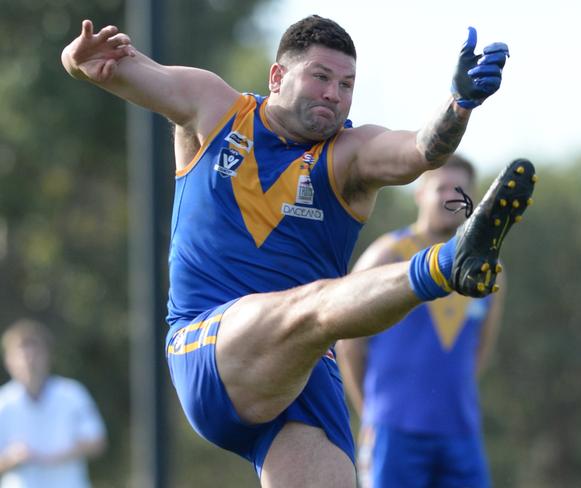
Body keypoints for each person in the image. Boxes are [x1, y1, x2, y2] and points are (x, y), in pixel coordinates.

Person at [61, 15, 535, 487]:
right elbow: (105, 66)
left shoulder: (349, 154)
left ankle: (450, 261)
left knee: (313, 316)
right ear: (277, 76)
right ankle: (448, 263)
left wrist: (458, 105)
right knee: (315, 305)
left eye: (347, 84)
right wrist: (75, 58)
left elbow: (419, 151)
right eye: (321, 76)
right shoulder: (216, 107)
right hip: (209, 347)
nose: (334, 93)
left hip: (305, 373)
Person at [337, 155, 505, 488]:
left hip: (460, 432)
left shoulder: (487, 267)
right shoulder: (388, 254)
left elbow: (481, 347)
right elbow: (347, 341)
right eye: (441, 187)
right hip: (393, 430)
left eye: (460, 189)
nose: (450, 197)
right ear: (420, 194)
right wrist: (370, 412)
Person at [0, 319, 107, 488]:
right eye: (22, 355)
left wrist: (55, 456)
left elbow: (97, 442)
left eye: (35, 353)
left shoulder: (72, 393)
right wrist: (12, 458)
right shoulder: (2, 402)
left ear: (48, 356)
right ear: (8, 361)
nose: (30, 361)